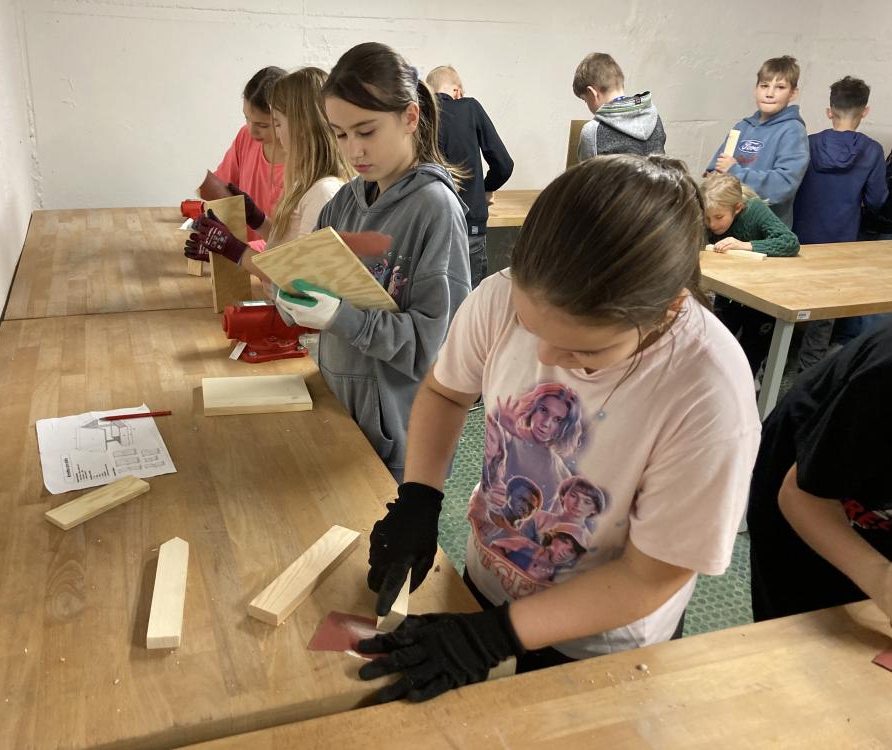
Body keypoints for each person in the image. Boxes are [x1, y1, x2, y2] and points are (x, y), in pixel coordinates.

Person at [356, 155, 761, 702]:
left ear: (666, 309)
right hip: (488, 582)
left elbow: (650, 575)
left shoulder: (708, 391)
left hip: (601, 642)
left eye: (584, 350)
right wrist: (420, 498)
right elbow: (447, 393)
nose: (545, 357)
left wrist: (493, 637)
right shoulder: (500, 296)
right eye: (530, 327)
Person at [271, 42, 471, 482]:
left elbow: (432, 347)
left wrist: (342, 317)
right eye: (341, 135)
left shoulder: (435, 209)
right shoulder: (344, 201)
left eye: (366, 132)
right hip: (342, 409)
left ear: (410, 118)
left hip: (399, 435)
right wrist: (289, 295)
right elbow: (306, 274)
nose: (353, 151)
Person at [748, 321, 892, 625]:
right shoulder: (883, 377)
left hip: (870, 497)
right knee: (807, 633)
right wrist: (881, 582)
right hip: (806, 493)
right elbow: (800, 496)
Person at [184, 68, 353, 278]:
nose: (277, 134)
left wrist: (235, 250)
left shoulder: (323, 193)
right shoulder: (306, 182)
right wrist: (257, 219)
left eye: (277, 124)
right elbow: (286, 246)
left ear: (302, 128)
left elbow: (297, 277)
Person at [792, 76, 889, 371]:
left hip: (801, 234)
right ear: (865, 111)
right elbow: (876, 201)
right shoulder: (872, 151)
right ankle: (809, 369)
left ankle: (769, 360)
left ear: (829, 111)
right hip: (841, 239)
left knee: (788, 297)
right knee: (825, 310)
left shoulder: (808, 144)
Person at [701, 172, 800, 376]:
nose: (712, 225)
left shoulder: (755, 210)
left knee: (752, 350)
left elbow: (790, 242)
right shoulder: (709, 215)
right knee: (716, 346)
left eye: (719, 218)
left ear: (737, 208)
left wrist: (746, 245)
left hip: (762, 295)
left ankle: (751, 383)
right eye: (707, 218)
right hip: (729, 291)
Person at [426, 65, 514, 287]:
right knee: (470, 299)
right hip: (469, 225)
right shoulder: (470, 107)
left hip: (430, 229)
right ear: (457, 92)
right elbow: (504, 164)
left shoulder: (419, 116)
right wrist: (484, 189)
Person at [706, 55, 809, 228]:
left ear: (793, 93)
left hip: (765, 231)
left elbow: (783, 185)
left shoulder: (793, 131)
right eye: (764, 86)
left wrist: (735, 172)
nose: (769, 93)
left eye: (780, 87)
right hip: (730, 228)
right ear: (756, 89)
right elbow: (714, 171)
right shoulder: (742, 127)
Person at [197, 66, 287, 250]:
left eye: (263, 125)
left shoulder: (302, 164)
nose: (252, 130)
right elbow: (222, 191)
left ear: (284, 120)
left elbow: (291, 243)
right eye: (247, 118)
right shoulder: (245, 136)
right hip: (240, 254)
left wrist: (232, 249)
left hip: (270, 259)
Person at [572, 52, 665, 161]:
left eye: (585, 100)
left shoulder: (592, 131)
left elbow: (586, 172)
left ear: (592, 92)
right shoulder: (652, 115)